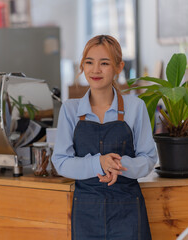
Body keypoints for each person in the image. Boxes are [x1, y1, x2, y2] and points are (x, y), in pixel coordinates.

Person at [52, 35, 158, 240]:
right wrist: (98, 163)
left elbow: (148, 160)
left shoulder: (136, 107)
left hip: (128, 210)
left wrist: (117, 165)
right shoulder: (70, 109)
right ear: (82, 66)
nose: (95, 70)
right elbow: (61, 162)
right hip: (86, 211)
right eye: (89, 62)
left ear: (119, 67)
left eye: (104, 63)